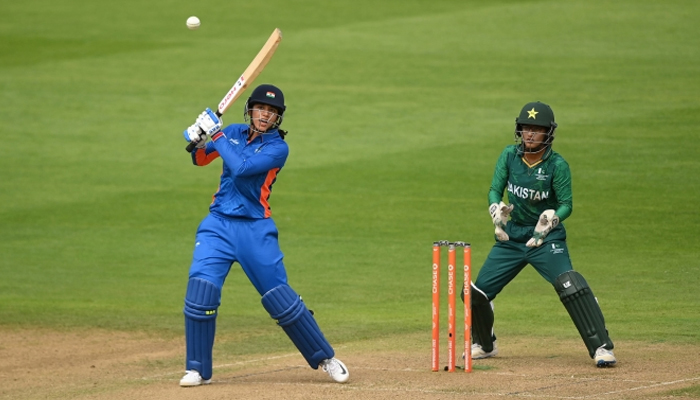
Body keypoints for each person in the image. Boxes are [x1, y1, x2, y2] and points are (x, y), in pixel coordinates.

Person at [179, 84, 349, 387]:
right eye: (261, 108)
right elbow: (202, 159)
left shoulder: (277, 148)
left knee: (280, 300)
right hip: (218, 224)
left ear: (277, 118)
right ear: (250, 110)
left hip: (255, 229)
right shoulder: (231, 131)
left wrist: (215, 134)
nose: (265, 115)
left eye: (271, 112)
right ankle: (197, 369)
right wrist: (196, 138)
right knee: (200, 291)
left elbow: (242, 168)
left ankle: (326, 358)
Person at [464, 101, 617, 367]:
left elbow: (567, 204)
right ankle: (485, 344)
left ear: (548, 133)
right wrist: (495, 208)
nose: (530, 134)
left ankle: (601, 347)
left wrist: (553, 218)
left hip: (546, 239)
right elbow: (494, 189)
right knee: (475, 293)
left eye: (537, 129)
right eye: (525, 128)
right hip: (511, 238)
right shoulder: (509, 156)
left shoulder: (558, 165)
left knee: (571, 285)